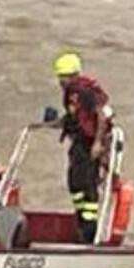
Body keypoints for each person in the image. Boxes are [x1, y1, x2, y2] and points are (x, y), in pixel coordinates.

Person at [51, 52, 113, 243]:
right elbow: (75, 115)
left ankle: (89, 230)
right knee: (75, 183)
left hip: (89, 143)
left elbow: (101, 115)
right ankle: (82, 222)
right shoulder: (73, 92)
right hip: (80, 143)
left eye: (63, 77)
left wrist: (98, 143)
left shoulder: (84, 91)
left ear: (71, 75)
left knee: (86, 185)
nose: (60, 81)